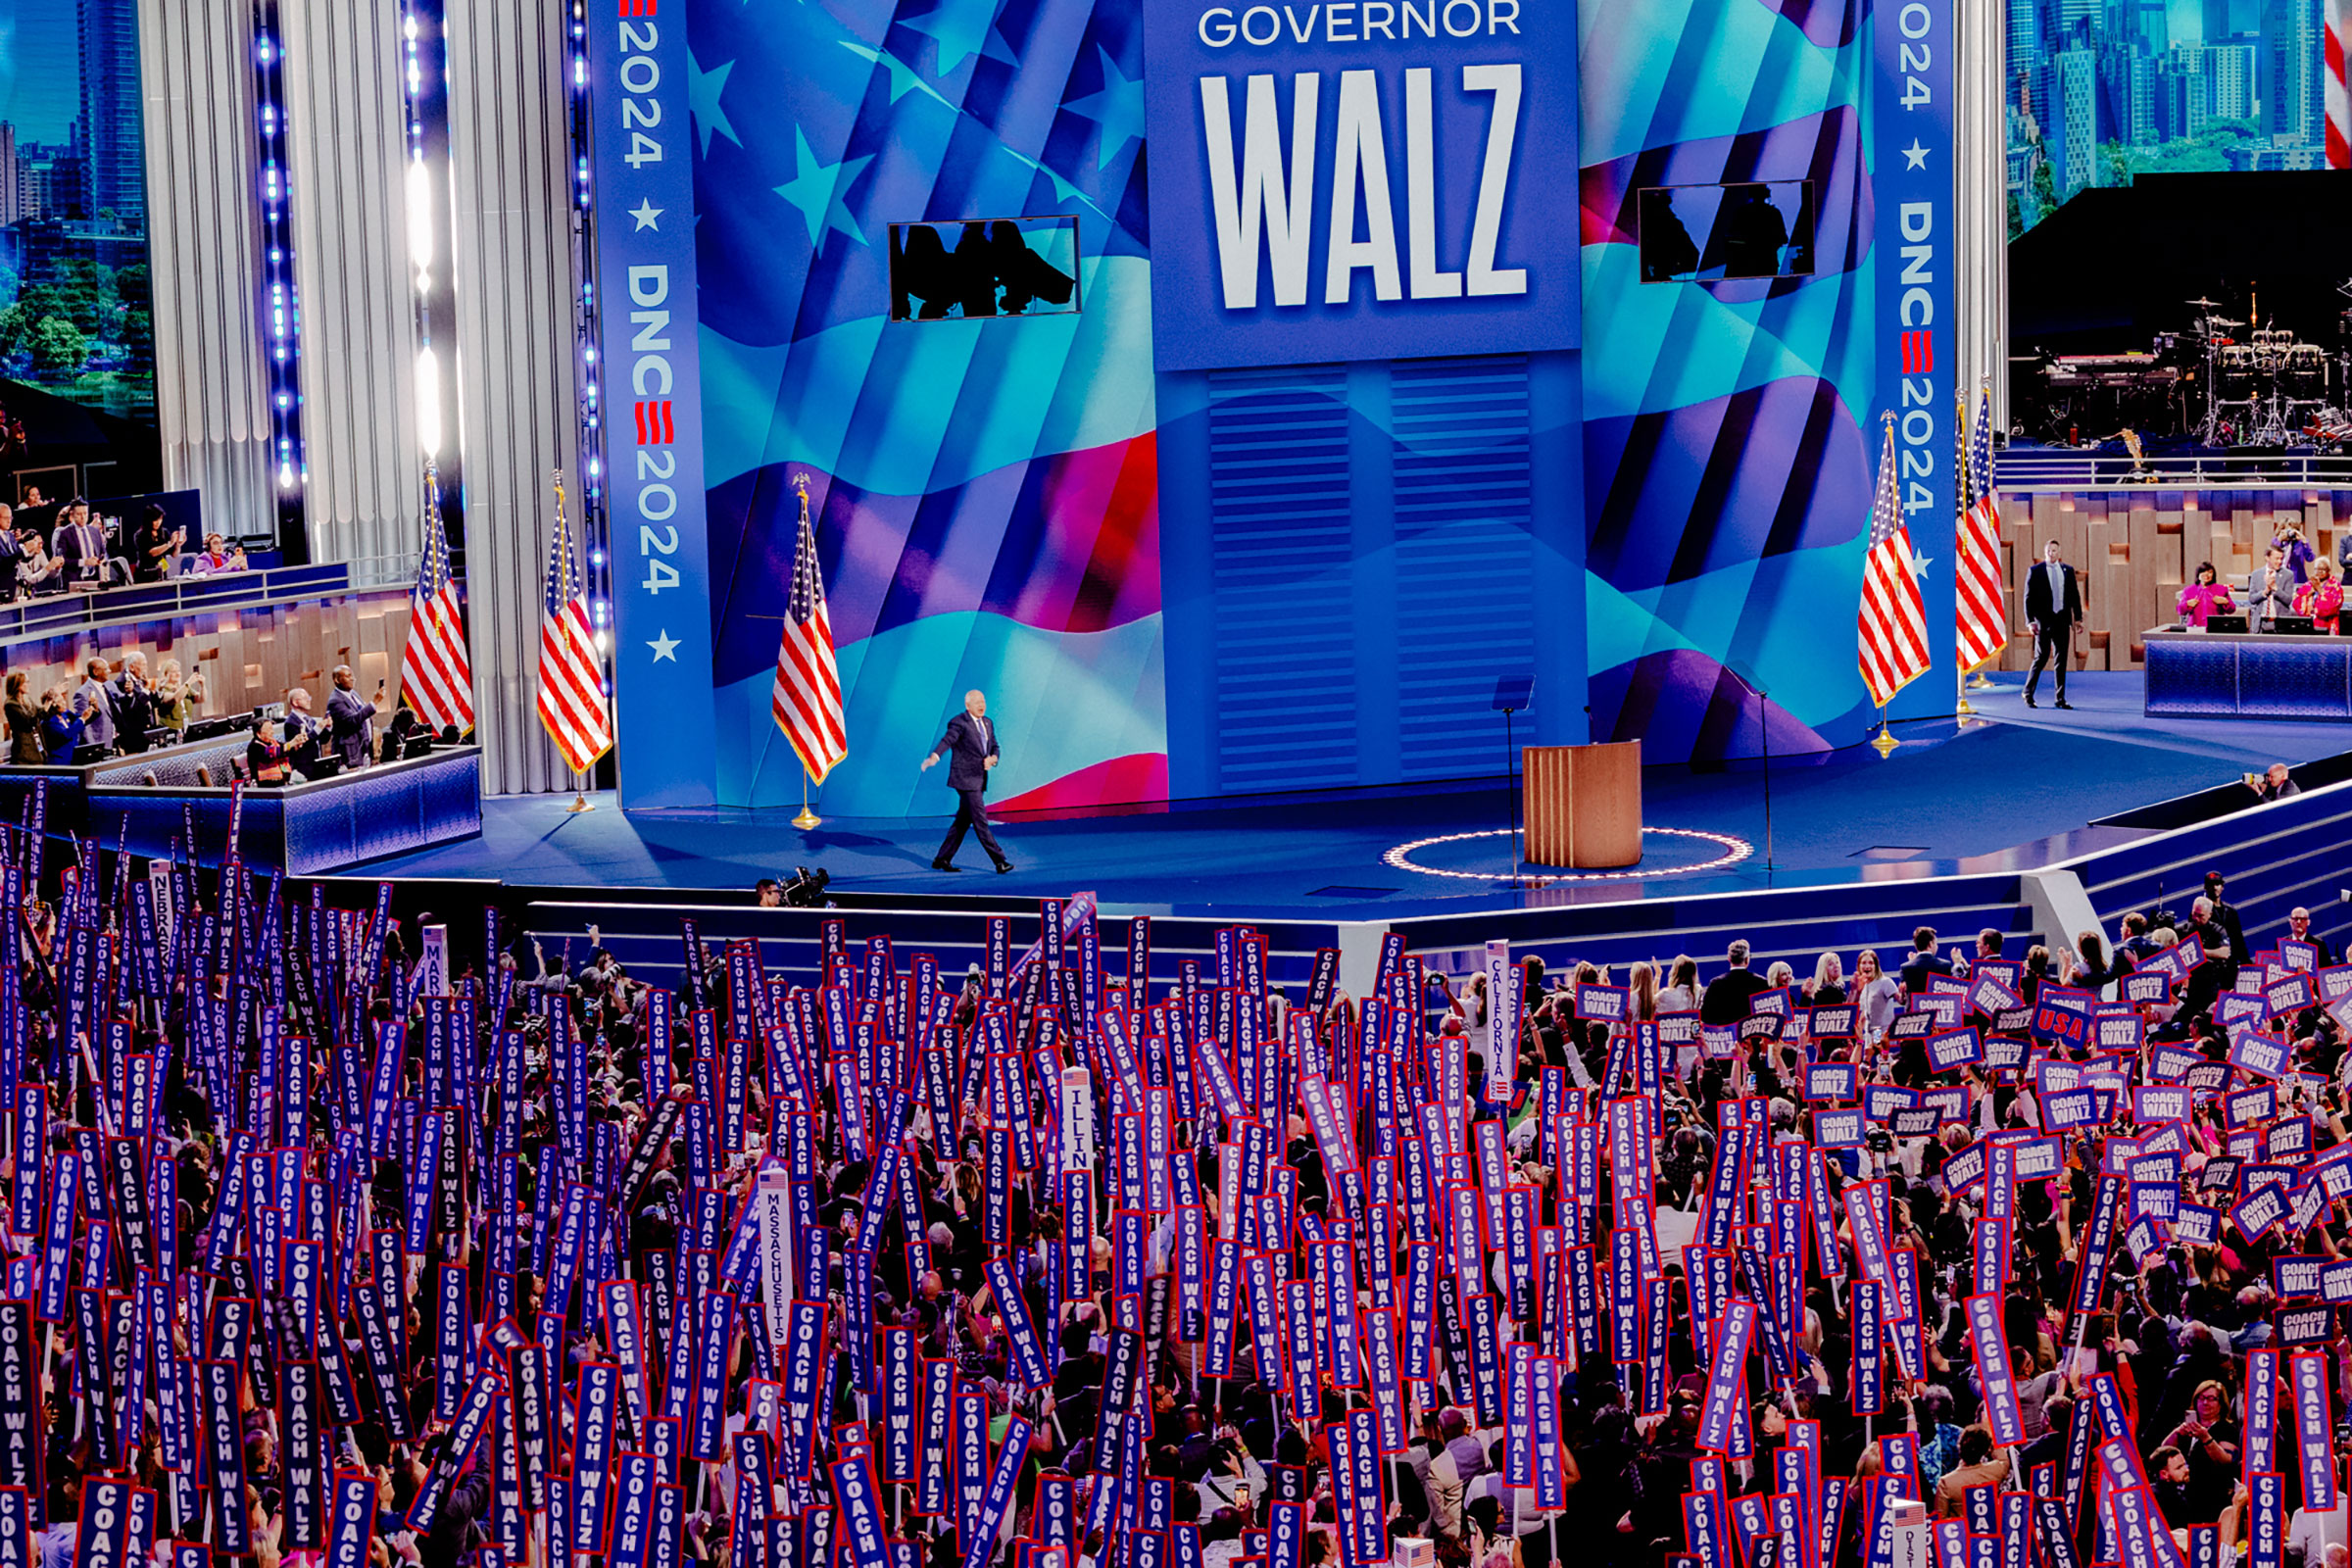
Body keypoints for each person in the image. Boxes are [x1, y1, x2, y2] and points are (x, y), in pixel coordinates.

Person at [921, 688, 1013, 873]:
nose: (982, 705)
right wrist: (935, 756)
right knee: (980, 821)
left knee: (963, 821)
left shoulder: (988, 723)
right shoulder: (959, 722)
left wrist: (993, 759)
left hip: (979, 778)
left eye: (983, 701)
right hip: (965, 779)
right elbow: (948, 740)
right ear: (968, 705)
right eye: (977, 702)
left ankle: (942, 859)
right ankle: (999, 861)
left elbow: (995, 746)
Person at [2024, 538, 2082, 710]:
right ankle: (2028, 693)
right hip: (2043, 622)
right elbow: (2028, 599)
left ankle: (2060, 698)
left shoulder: (2068, 571)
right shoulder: (2035, 571)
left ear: (2059, 552)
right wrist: (2030, 621)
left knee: (2061, 660)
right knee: (2040, 658)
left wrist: (2077, 619)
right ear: (2045, 552)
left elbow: (2074, 597)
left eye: (2054, 550)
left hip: (2062, 621)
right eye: (2049, 550)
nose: (2051, 553)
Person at [51, 500, 127, 587]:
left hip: (96, 579)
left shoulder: (94, 531)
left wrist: (101, 560)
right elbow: (62, 561)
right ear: (72, 514)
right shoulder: (64, 533)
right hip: (74, 581)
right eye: (79, 514)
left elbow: (103, 553)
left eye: (85, 513)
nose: (83, 517)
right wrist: (84, 562)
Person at [1698, 939, 1770, 1023]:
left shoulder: (1716, 983)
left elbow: (1706, 1016)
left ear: (1729, 959)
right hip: (1752, 1034)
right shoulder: (1760, 982)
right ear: (1747, 959)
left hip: (1726, 1034)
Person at [326, 664, 381, 769]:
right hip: (351, 753)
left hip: (364, 748)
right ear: (337, 680)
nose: (352, 679)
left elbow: (362, 714)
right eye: (348, 676)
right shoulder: (335, 701)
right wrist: (374, 702)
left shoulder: (353, 694)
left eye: (352, 675)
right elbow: (351, 720)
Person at [107, 652, 156, 754]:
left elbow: (150, 703)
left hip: (146, 734)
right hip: (134, 737)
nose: (146, 668)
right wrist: (146, 691)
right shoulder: (123, 683)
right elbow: (134, 709)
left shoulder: (140, 680)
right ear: (132, 667)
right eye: (143, 664)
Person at [150, 657, 205, 738]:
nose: (178, 674)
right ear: (166, 674)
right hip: (171, 733)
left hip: (187, 730)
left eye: (178, 671)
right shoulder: (162, 690)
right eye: (174, 671)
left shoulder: (184, 688)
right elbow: (175, 699)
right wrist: (189, 682)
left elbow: (201, 699)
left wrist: (202, 686)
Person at [128, 505, 183, 583]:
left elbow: (174, 555)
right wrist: (169, 544)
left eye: (160, 519)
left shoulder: (164, 532)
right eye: (155, 520)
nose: (158, 522)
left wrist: (178, 545)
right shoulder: (140, 535)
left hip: (161, 572)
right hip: (145, 574)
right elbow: (152, 552)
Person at [2247, 545, 2296, 633]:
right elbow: (2252, 598)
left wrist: (2275, 588)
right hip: (2260, 624)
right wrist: (2265, 591)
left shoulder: (2288, 575)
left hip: (2280, 624)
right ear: (2267, 558)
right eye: (2276, 558)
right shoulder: (2256, 574)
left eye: (2281, 558)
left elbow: (2288, 600)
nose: (2280, 561)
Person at [71, 657, 115, 753]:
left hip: (113, 742)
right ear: (96, 672)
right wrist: (93, 748)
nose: (110, 671)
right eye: (106, 669)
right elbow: (85, 724)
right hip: (99, 746)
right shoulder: (82, 693)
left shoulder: (110, 686)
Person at [281, 687, 327, 777]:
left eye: (309, 698)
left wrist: (328, 728)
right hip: (303, 769)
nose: (309, 701)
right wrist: (317, 729)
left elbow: (323, 740)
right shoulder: (290, 723)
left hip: (316, 763)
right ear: (295, 702)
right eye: (305, 699)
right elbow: (303, 744)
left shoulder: (310, 720)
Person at [2176, 562, 2234, 628]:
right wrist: (2187, 604)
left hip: (2216, 627)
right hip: (2194, 628)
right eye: (2203, 572)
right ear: (2198, 574)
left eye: (2210, 572)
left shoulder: (2222, 589)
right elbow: (2180, 610)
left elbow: (2232, 610)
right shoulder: (2188, 590)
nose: (2206, 574)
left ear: (2213, 575)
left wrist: (2225, 602)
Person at [2295, 555, 2344, 633]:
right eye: (2317, 569)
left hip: (2328, 624)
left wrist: (2320, 590)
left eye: (2323, 569)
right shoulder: (2308, 585)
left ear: (2328, 570)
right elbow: (2297, 603)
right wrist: (2309, 593)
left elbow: (2332, 607)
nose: (2320, 571)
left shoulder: (2335, 586)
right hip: (2310, 624)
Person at [37, 683, 81, 764]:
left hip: (73, 758)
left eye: (63, 699)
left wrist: (93, 709)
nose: (64, 703)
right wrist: (82, 720)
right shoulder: (48, 722)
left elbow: (80, 720)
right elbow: (65, 734)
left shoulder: (65, 714)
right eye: (60, 701)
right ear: (52, 704)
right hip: (59, 762)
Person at [3, 672, 40, 764]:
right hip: (24, 753)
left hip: (36, 746)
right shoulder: (10, 705)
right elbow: (28, 722)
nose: (29, 685)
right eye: (26, 682)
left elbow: (41, 712)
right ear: (18, 684)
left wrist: (51, 699)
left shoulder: (27, 700)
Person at [246, 717, 293, 784]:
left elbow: (285, 750)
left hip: (281, 781)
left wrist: (297, 744)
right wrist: (291, 744)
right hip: (265, 785)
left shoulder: (272, 742)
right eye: (269, 729)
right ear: (258, 733)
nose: (272, 732)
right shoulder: (254, 747)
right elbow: (272, 754)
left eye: (272, 729)